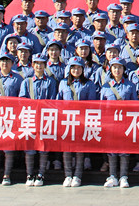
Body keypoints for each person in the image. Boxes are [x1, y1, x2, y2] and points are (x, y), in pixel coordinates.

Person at [57, 56, 98, 187]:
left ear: (83, 69)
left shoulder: (89, 84)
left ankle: (77, 175)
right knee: (67, 149)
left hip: (82, 120)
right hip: (67, 120)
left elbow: (91, 103)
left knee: (80, 149)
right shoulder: (63, 83)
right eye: (73, 67)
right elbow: (58, 101)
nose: (76, 70)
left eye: (79, 67)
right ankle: (68, 175)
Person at [19, 53, 58, 186]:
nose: (39, 66)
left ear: (45, 65)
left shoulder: (50, 82)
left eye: (41, 64)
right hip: (30, 117)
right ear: (32, 65)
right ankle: (29, 174)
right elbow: (22, 100)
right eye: (36, 64)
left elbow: (53, 100)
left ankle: (41, 174)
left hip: (45, 118)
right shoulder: (27, 82)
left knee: (43, 146)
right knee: (29, 147)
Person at [100, 57, 138, 188]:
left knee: (124, 150)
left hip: (125, 122)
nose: (117, 70)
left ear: (124, 69)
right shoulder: (106, 87)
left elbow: (134, 105)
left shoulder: (130, 86)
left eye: (120, 67)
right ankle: (112, 176)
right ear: (110, 69)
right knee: (111, 150)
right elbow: (102, 106)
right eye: (114, 67)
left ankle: (123, 176)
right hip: (110, 122)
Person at [0, 53, 23, 186]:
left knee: (8, 148)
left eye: (7, 61)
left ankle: (7, 175)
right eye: (2, 61)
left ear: (12, 64)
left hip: (10, 117)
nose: (5, 64)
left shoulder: (17, 79)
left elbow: (21, 99)